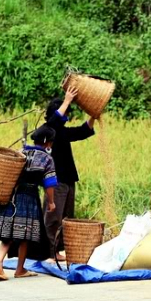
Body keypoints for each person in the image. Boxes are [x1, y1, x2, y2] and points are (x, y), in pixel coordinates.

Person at [0, 125, 59, 281]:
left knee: (7, 236)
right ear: (47, 143)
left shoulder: (21, 152)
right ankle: (19, 270)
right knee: (25, 236)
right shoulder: (46, 159)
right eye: (51, 142)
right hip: (29, 198)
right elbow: (49, 183)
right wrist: (51, 202)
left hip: (11, 196)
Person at [44, 86, 96, 261]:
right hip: (55, 180)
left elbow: (83, 131)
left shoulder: (63, 132)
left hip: (68, 180)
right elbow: (54, 122)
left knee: (66, 217)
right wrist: (67, 100)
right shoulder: (48, 131)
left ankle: (58, 250)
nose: (66, 117)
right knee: (53, 216)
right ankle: (49, 251)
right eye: (65, 112)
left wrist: (93, 115)